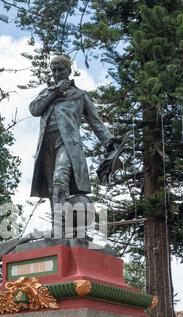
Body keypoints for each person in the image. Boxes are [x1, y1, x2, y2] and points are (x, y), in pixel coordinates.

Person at [29, 55, 122, 212]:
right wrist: (54, 93)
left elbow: (96, 123)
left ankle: (61, 226)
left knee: (59, 179)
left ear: (69, 70)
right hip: (46, 145)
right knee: (52, 188)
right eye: (54, 70)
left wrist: (109, 141)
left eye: (61, 70)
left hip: (67, 145)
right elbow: (34, 110)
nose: (57, 74)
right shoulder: (47, 93)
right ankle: (58, 228)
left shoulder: (80, 95)